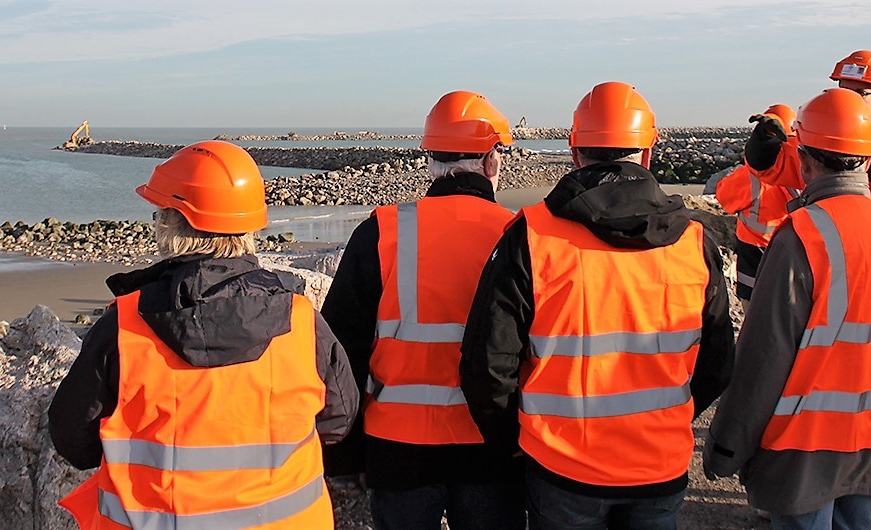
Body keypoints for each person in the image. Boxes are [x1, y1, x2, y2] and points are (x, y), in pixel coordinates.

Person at [459, 81, 735, 530]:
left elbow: (489, 362)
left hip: (562, 467)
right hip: (659, 466)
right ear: (648, 153)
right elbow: (718, 362)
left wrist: (517, 439)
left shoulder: (532, 236)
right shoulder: (693, 241)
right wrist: (668, 419)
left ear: (575, 153)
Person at [49, 140, 358, 529]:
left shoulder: (124, 328)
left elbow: (74, 441)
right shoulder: (301, 321)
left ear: (171, 222)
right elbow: (339, 421)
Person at [704, 88, 871, 530]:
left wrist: (726, 444)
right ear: (867, 160)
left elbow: (761, 359)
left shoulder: (802, 236)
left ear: (803, 160)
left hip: (804, 443)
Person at [320, 91, 525, 530]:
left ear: (430, 160)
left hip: (398, 447)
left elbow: (341, 353)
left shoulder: (382, 231)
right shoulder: (519, 234)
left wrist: (344, 456)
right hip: (491, 445)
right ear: (492, 162)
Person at [745, 50, 871, 208]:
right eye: (845, 91)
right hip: (830, 223)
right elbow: (777, 167)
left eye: (859, 93)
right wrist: (764, 141)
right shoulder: (822, 135)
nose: (849, 99)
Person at [715, 104, 801, 309]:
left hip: (754, 257)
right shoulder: (807, 171)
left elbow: (724, 197)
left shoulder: (751, 177)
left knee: (754, 318)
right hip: (796, 252)